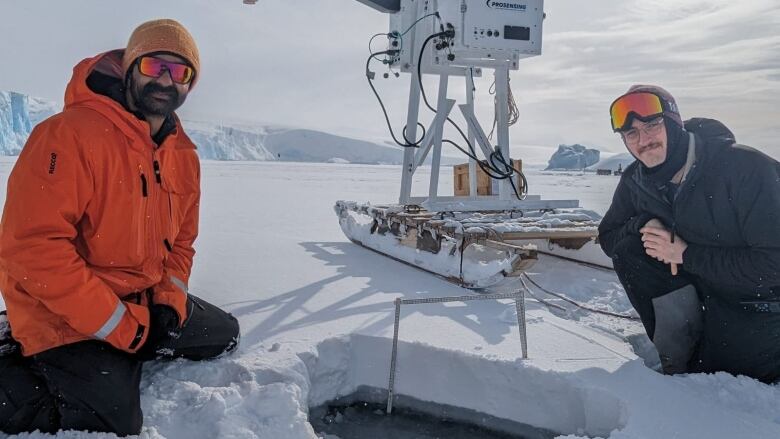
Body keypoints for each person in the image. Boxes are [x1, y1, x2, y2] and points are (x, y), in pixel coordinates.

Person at [0, 19, 240, 435]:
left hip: (140, 297)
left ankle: (119, 350)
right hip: (61, 311)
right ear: (130, 68)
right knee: (115, 420)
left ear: (190, 84)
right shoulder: (68, 135)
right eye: (154, 66)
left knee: (223, 334)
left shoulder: (183, 155)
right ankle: (15, 358)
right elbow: (34, 250)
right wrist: (126, 329)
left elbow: (181, 244)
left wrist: (167, 305)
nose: (166, 79)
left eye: (179, 71)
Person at [599, 84, 780, 382]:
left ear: (673, 122)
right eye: (631, 134)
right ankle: (679, 353)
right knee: (630, 249)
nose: (643, 140)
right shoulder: (637, 180)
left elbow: (773, 266)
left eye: (652, 125)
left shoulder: (745, 168)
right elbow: (608, 236)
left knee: (720, 374)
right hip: (709, 292)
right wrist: (644, 223)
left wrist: (685, 254)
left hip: (761, 300)